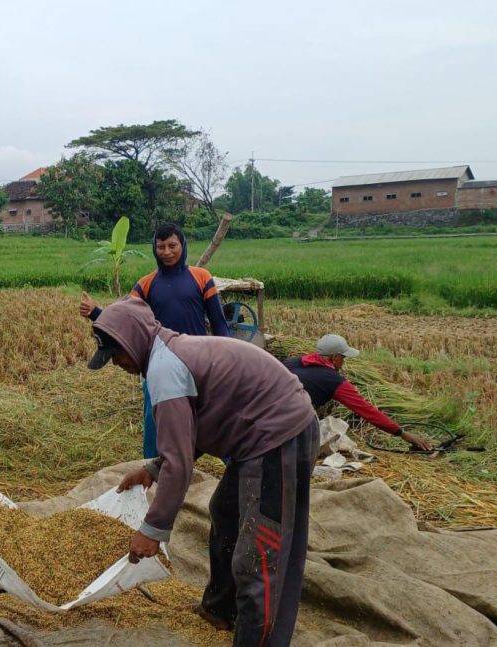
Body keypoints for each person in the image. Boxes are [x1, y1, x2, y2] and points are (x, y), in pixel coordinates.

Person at [90, 297, 318, 647]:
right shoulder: (166, 353)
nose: (117, 363)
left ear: (133, 338)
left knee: (258, 553)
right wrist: (153, 468)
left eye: (116, 353)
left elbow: (181, 463)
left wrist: (153, 530)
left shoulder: (165, 369)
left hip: (279, 435)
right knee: (225, 511)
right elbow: (188, 434)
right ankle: (219, 609)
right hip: (254, 434)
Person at [80, 223, 231, 457]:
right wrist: (96, 312)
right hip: (158, 364)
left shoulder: (202, 277)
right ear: (154, 248)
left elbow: (219, 323)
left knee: (215, 418)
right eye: (161, 247)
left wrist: (226, 356)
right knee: (155, 420)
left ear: (183, 246)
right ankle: (151, 471)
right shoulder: (146, 284)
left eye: (172, 245)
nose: (167, 252)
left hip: (198, 361)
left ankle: (238, 468)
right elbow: (124, 318)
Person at [283, 334, 434, 452]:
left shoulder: (291, 363)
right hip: (283, 423)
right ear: (335, 358)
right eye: (343, 358)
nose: (343, 363)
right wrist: (402, 434)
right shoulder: (333, 380)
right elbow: (366, 410)